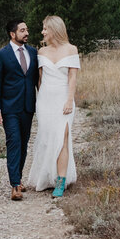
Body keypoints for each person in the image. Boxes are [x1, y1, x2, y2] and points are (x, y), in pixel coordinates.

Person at [26, 15, 79, 199]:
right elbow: (39, 80)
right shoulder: (41, 52)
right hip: (45, 101)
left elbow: (72, 77)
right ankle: (47, 175)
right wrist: (40, 101)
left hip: (63, 99)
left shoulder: (71, 49)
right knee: (47, 139)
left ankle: (61, 181)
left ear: (54, 29)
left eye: (45, 28)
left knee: (62, 139)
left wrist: (69, 101)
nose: (42, 32)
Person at [0, 19, 38, 200]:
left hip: (28, 106)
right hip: (9, 107)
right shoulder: (2, 54)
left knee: (24, 144)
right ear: (13, 34)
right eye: (22, 30)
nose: (26, 33)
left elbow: (36, 80)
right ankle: (15, 185)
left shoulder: (33, 52)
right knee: (14, 143)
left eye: (27, 30)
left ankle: (18, 177)